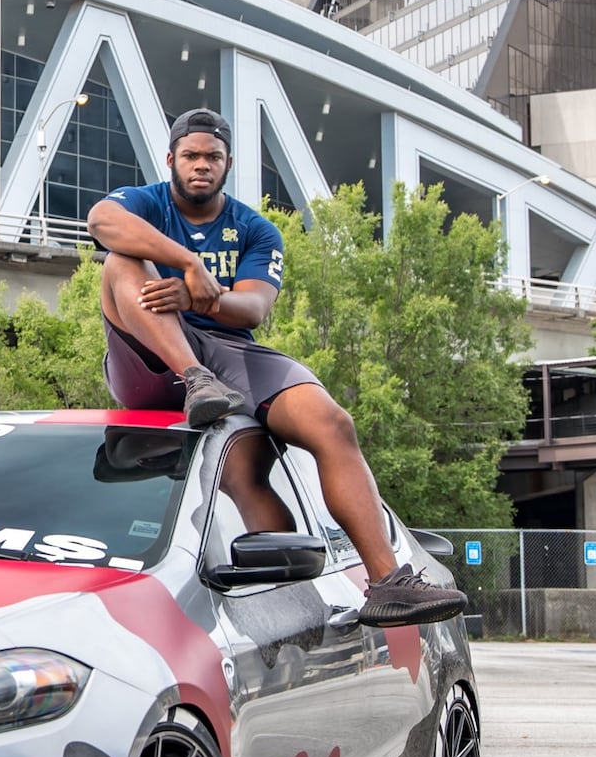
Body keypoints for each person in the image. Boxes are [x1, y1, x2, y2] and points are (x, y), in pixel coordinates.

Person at [87, 106, 467, 623]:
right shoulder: (141, 202)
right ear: (171, 159)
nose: (202, 165)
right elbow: (101, 222)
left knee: (325, 426)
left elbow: (255, 308)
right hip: (150, 355)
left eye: (214, 157)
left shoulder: (255, 228)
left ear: (228, 163)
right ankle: (194, 378)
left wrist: (202, 297)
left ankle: (382, 586)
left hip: (228, 350)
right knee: (119, 257)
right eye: (192, 155)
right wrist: (189, 263)